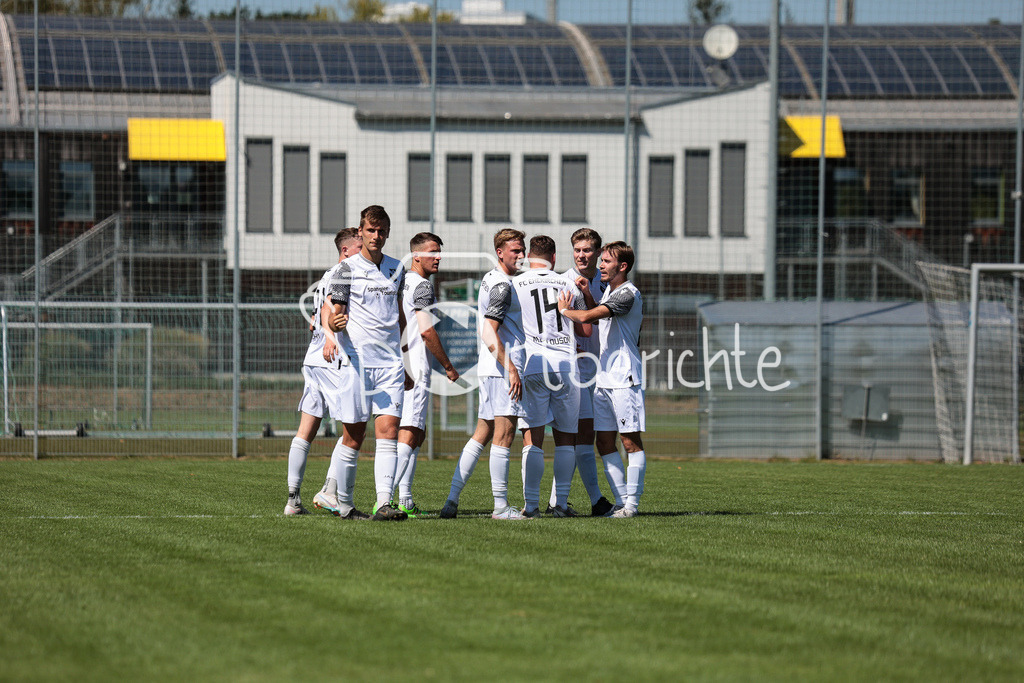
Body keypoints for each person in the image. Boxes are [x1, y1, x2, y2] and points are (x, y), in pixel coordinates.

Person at [313, 205, 411, 521]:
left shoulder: (398, 268)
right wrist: (334, 325)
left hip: (390, 363)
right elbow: (334, 312)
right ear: (361, 231)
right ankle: (343, 503)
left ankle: (384, 503)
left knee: (389, 430)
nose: (376, 236)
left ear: (388, 233)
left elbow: (399, 315)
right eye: (371, 230)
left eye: (381, 231)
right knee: (354, 435)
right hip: (357, 362)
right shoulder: (346, 269)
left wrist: (405, 359)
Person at [439, 229, 529, 520]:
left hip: (490, 368)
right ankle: (501, 506)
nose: (521, 255)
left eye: (523, 249)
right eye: (515, 250)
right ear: (499, 252)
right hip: (501, 369)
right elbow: (489, 331)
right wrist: (511, 368)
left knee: (483, 433)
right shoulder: (502, 284)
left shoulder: (493, 279)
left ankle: (452, 499)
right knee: (504, 435)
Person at [558, 241, 643, 518]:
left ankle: (632, 505)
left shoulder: (627, 294)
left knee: (630, 442)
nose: (601, 265)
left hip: (624, 377)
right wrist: (587, 292)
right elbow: (598, 320)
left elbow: (586, 316)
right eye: (602, 260)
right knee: (604, 443)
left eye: (607, 261)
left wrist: (564, 311)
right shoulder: (609, 290)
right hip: (604, 378)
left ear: (623, 266)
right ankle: (621, 502)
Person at [512, 235, 591, 518]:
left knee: (532, 438)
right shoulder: (568, 284)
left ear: (528, 257)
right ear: (554, 258)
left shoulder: (516, 283)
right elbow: (585, 331)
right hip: (566, 366)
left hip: (533, 365)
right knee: (566, 438)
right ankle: (560, 505)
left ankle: (531, 506)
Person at [284, 228, 361, 515]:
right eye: (359, 247)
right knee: (354, 427)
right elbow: (330, 310)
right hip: (332, 358)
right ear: (345, 250)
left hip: (313, 358)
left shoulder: (328, 274)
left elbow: (318, 314)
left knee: (306, 430)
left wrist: (321, 329)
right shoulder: (345, 271)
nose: (365, 251)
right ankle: (329, 491)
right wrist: (331, 338)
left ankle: (293, 500)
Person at [546, 228, 614, 517]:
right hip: (575, 371)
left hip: (601, 368)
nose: (582, 255)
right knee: (578, 436)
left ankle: (557, 501)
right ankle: (595, 501)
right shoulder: (562, 282)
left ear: (598, 252)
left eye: (587, 250)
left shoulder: (607, 283)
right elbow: (554, 324)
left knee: (582, 436)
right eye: (577, 250)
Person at [392, 232, 460, 517]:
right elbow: (426, 331)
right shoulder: (422, 286)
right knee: (410, 433)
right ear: (416, 255)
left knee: (416, 433)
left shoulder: (401, 282)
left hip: (397, 364)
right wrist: (448, 366)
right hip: (416, 366)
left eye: (439, 252)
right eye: (432, 252)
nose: (438, 257)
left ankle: (405, 499)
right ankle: (385, 498)